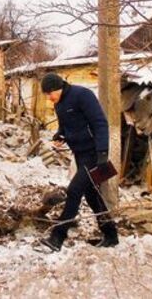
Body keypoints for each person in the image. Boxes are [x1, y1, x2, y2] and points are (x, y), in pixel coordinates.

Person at [38, 72, 119, 252]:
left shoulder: (82, 95)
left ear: (57, 88)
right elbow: (64, 126)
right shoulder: (59, 105)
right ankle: (111, 235)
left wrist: (103, 153)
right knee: (91, 194)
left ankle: (57, 237)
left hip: (93, 153)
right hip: (79, 153)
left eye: (50, 93)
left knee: (74, 190)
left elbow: (100, 123)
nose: (49, 98)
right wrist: (60, 135)